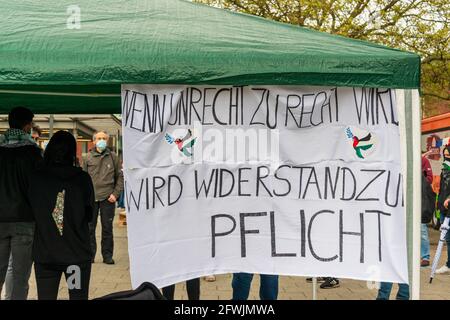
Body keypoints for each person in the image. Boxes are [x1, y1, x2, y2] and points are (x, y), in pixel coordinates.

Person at [28, 131, 95, 300]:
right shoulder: (82, 179)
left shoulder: (36, 178)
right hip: (76, 256)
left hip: (46, 255)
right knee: (77, 296)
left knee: (46, 297)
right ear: (72, 152)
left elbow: (31, 210)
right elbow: (90, 215)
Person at [0, 107, 43, 300]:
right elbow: (39, 189)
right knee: (20, 276)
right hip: (25, 222)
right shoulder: (33, 154)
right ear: (27, 126)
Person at [83, 131, 123, 265]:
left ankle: (107, 256)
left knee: (107, 228)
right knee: (89, 228)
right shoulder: (87, 157)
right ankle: (90, 256)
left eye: (104, 138)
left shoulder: (113, 157)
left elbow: (120, 177)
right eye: (99, 138)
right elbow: (81, 179)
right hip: (91, 199)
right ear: (93, 141)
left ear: (107, 141)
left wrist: (115, 194)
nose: (101, 140)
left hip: (108, 198)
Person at [436, 145, 450, 274]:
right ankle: (449, 264)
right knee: (447, 238)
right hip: (443, 209)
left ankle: (449, 264)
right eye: (445, 155)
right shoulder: (444, 169)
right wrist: (439, 204)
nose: (446, 157)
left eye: (449, 155)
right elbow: (441, 189)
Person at [421, 152, 433, 267]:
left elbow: (430, 178)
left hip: (421, 200)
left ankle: (425, 257)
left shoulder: (423, 161)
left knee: (422, 230)